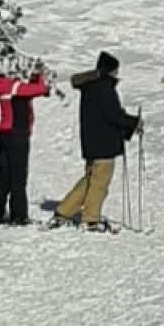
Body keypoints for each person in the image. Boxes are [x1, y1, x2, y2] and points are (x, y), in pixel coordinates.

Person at [50, 52, 142, 232]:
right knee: (100, 182)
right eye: (116, 70)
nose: (117, 74)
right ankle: (91, 218)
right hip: (104, 143)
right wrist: (134, 122)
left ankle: (64, 211)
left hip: (91, 142)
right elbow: (113, 115)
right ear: (110, 71)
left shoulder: (90, 86)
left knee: (90, 179)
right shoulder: (104, 88)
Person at [0, 63, 52, 225]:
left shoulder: (2, 85)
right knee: (18, 176)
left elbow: (32, 88)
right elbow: (39, 90)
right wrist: (40, 77)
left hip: (5, 133)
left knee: (4, 176)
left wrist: (36, 78)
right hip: (17, 134)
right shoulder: (13, 86)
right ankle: (19, 215)